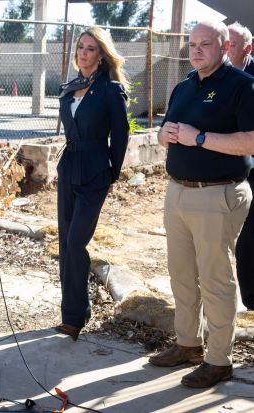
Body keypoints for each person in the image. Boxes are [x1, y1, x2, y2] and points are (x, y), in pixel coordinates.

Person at [148, 21, 254, 388]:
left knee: (215, 280)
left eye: (204, 44)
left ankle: (219, 360)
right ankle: (188, 344)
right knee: (181, 274)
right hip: (177, 191)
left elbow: (250, 142)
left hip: (218, 194)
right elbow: (166, 132)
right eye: (192, 44)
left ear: (225, 47)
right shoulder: (184, 86)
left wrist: (201, 138)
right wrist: (165, 135)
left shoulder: (242, 86)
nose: (196, 50)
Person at [56, 27, 129, 340]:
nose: (83, 54)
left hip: (96, 170)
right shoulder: (70, 87)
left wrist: (112, 172)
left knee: (76, 242)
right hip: (69, 166)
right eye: (81, 48)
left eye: (90, 49)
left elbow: (121, 133)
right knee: (64, 243)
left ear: (102, 56)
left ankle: (77, 314)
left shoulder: (111, 90)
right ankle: (72, 315)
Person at [229, 22, 254, 311]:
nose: (224, 51)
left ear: (247, 49)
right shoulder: (215, 77)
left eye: (231, 46)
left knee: (248, 239)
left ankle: (250, 301)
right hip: (224, 172)